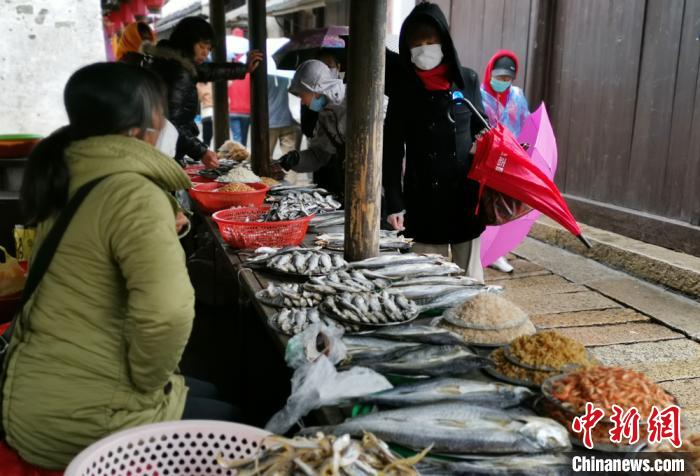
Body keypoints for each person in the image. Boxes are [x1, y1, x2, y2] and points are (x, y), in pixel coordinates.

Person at [3, 62, 235, 471]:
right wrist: (146, 386)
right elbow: (168, 313)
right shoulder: (131, 191)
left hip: (35, 390)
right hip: (80, 418)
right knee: (245, 426)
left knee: (212, 391)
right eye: (160, 112)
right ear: (141, 125)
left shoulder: (72, 172)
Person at [383, 2, 487, 282]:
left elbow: (482, 126)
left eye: (431, 41)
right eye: (417, 43)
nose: (425, 48)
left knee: (471, 282)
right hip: (422, 200)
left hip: (465, 196)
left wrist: (483, 142)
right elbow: (391, 149)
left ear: (445, 41)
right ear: (407, 48)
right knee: (424, 281)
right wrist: (394, 202)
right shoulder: (403, 91)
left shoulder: (467, 79)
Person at [143, 17, 263, 167]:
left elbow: (206, 70)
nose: (206, 53)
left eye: (209, 49)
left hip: (155, 149)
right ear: (187, 43)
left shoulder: (169, 60)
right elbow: (171, 125)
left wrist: (243, 69)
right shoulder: (178, 73)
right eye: (202, 47)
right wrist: (202, 152)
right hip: (163, 156)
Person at [480, 50, 530, 274]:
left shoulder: (517, 96)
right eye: (499, 77)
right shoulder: (479, 94)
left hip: (511, 156)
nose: (503, 82)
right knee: (485, 204)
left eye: (507, 79)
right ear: (490, 72)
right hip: (487, 157)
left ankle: (497, 251)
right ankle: (484, 250)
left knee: (505, 206)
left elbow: (525, 121)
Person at [279, 60, 346, 199]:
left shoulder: (354, 102)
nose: (302, 102)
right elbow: (319, 155)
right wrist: (296, 159)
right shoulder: (324, 114)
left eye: (303, 95)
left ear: (316, 91)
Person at [300, 49, 342, 139]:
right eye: (321, 67)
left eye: (329, 66)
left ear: (338, 67)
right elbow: (307, 129)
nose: (325, 70)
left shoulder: (348, 90)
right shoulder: (310, 94)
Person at [268, 74, 301, 166]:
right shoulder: (285, 76)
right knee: (290, 158)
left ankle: (265, 179)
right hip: (287, 120)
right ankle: (290, 180)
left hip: (269, 123)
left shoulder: (263, 77)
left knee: (265, 158)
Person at [228, 70, 251, 145]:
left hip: (232, 110)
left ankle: (238, 154)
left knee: (237, 137)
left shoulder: (230, 76)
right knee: (244, 138)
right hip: (246, 111)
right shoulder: (249, 76)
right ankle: (242, 154)